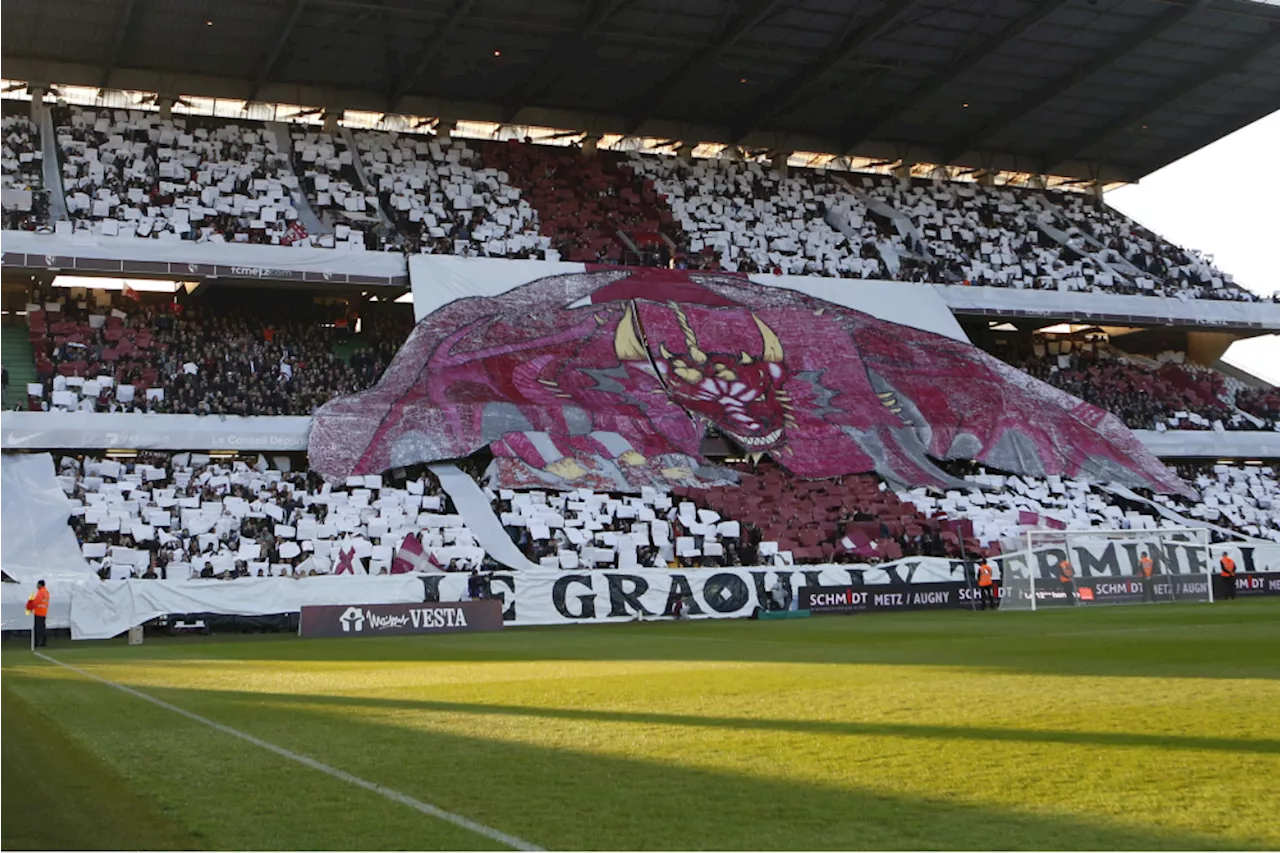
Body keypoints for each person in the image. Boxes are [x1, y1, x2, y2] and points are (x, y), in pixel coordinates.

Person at [25, 580, 49, 648]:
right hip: (44, 612)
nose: (36, 586)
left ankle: (36, 643)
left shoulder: (41, 592)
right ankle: (43, 642)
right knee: (42, 628)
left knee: (37, 628)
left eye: (37, 584)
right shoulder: (46, 592)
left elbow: (36, 601)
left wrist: (30, 606)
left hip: (39, 612)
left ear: (40, 585)